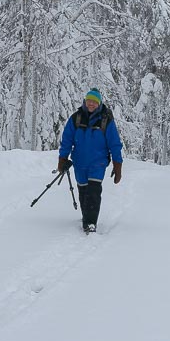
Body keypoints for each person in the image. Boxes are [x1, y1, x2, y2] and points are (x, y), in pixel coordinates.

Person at [58, 88, 123, 234]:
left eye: (94, 101)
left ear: (99, 103)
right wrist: (62, 159)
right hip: (80, 163)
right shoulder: (76, 118)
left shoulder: (106, 120)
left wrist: (117, 164)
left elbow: (114, 143)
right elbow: (67, 140)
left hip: (98, 163)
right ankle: (86, 218)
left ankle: (91, 223)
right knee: (83, 191)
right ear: (85, 101)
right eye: (89, 101)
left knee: (93, 192)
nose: (91, 104)